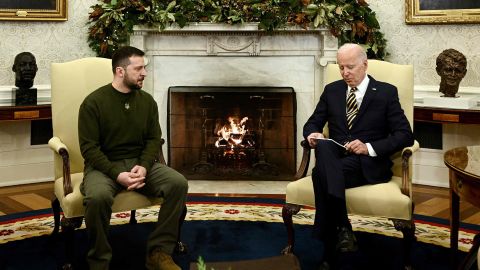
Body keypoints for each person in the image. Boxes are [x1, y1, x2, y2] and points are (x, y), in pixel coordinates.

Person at [303, 43, 414, 269]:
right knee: (324, 147)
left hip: (367, 164)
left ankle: (329, 252)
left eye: (350, 67)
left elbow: (405, 135)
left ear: (365, 65)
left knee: (319, 175)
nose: (345, 73)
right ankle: (343, 228)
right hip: (336, 157)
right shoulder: (332, 90)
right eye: (341, 67)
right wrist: (312, 134)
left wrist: (369, 147)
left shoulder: (386, 92)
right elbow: (313, 122)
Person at [78, 46, 188, 270]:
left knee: (178, 183)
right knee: (97, 197)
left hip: (140, 163)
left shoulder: (147, 102)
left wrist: (145, 167)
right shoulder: (93, 103)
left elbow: (152, 140)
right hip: (104, 167)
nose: (144, 73)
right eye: (138, 68)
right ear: (120, 71)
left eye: (144, 68)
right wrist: (117, 175)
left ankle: (158, 252)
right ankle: (99, 261)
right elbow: (89, 149)